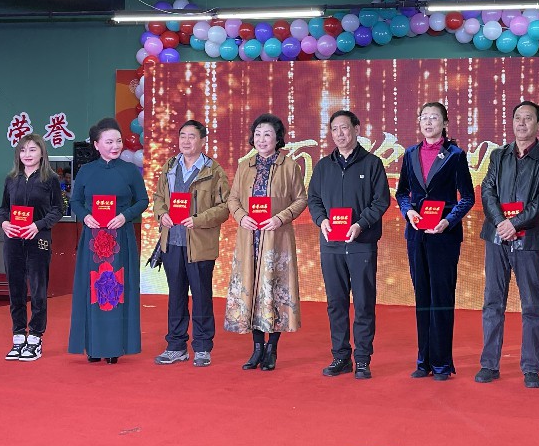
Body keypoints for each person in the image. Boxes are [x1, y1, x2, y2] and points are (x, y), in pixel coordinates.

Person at [475, 101, 539, 388]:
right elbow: (487, 190)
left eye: (528, 118)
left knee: (531, 306)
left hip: (529, 239)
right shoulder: (498, 156)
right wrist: (502, 222)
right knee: (492, 302)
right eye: (517, 118)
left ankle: (531, 368)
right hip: (496, 236)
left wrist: (516, 223)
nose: (521, 123)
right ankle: (489, 364)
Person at [308, 110, 391, 379]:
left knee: (364, 302)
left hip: (361, 243)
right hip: (331, 244)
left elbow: (381, 201)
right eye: (334, 129)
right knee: (336, 303)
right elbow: (314, 199)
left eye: (344, 128)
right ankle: (341, 356)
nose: (339, 134)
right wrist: (321, 220)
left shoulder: (372, 163)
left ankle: (363, 359)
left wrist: (360, 224)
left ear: (356, 129)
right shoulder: (323, 166)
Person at [396, 101, 475, 381]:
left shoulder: (455, 155)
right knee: (422, 296)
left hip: (444, 235)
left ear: (445, 123)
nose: (428, 122)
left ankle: (441, 364)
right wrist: (409, 211)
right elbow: (402, 193)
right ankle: (423, 362)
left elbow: (467, 197)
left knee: (441, 297)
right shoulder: (410, 153)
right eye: (424, 118)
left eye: (434, 118)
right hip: (417, 233)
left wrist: (448, 220)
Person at [224, 113, 308, 371]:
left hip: (275, 238)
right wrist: (241, 217)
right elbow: (233, 199)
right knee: (251, 289)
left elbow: (301, 199)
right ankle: (257, 347)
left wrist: (280, 218)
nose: (262, 139)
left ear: (277, 138)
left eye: (267, 134)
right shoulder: (244, 166)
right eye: (258, 134)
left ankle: (272, 348)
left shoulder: (289, 166)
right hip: (249, 238)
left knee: (274, 289)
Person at [68, 118, 149, 364]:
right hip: (93, 238)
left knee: (117, 289)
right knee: (93, 288)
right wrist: (86, 216)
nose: (115, 146)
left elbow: (142, 201)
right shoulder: (86, 170)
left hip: (120, 237)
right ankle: (93, 347)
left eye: (118, 141)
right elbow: (75, 201)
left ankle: (115, 347)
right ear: (96, 144)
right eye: (109, 142)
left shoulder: (129, 170)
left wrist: (125, 216)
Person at [152, 119, 231, 367]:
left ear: (203, 141)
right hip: (172, 242)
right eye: (183, 136)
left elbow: (225, 207)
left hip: (199, 244)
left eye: (192, 136)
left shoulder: (213, 171)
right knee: (175, 296)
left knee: (201, 296)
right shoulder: (170, 166)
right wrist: (161, 214)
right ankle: (176, 346)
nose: (186, 141)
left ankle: (203, 347)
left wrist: (198, 220)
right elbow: (158, 198)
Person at [0, 134, 65, 361]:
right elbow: (3, 209)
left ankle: (35, 337)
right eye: (23, 150)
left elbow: (58, 210)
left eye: (32, 149)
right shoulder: (11, 179)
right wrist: (4, 223)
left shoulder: (50, 179)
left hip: (38, 239)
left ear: (42, 153)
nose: (27, 154)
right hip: (13, 240)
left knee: (37, 289)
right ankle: (18, 337)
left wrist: (38, 225)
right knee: (15, 289)